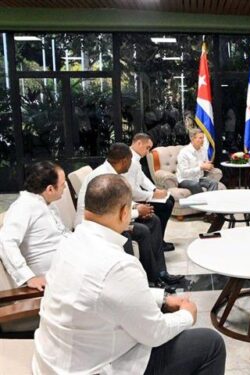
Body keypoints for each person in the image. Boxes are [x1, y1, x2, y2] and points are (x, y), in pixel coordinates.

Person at [33, 174, 226, 374]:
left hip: (53, 360)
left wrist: (164, 298)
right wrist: (187, 314)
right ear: (125, 212)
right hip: (93, 368)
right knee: (211, 344)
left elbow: (110, 292)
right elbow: (154, 333)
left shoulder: (68, 243)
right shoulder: (119, 265)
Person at [75, 143, 183, 286]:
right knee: (143, 230)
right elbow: (108, 214)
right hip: (98, 225)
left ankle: (160, 274)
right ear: (124, 160)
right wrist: (137, 212)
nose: (132, 164)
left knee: (154, 220)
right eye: (131, 160)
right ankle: (149, 280)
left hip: (108, 219)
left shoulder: (111, 173)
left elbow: (116, 203)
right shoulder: (104, 178)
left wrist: (137, 206)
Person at [0, 161, 70, 291]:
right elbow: (5, 242)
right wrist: (29, 277)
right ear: (50, 189)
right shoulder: (24, 206)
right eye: (62, 184)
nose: (65, 187)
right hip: (54, 281)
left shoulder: (46, 204)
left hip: (68, 272)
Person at [123, 132, 176, 252]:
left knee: (170, 199)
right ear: (139, 143)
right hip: (130, 200)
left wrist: (154, 189)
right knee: (166, 205)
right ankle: (157, 243)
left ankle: (159, 240)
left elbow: (142, 178)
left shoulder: (135, 158)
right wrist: (152, 195)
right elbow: (132, 191)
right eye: (147, 148)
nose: (148, 152)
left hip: (136, 195)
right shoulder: (129, 160)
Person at [176, 128, 219, 194]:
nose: (203, 141)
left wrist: (208, 166)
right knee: (195, 185)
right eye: (200, 138)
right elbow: (184, 173)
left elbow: (204, 165)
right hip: (185, 179)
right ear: (192, 139)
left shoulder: (203, 150)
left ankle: (210, 202)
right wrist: (201, 167)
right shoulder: (184, 153)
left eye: (203, 138)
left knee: (214, 183)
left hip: (198, 178)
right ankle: (204, 201)